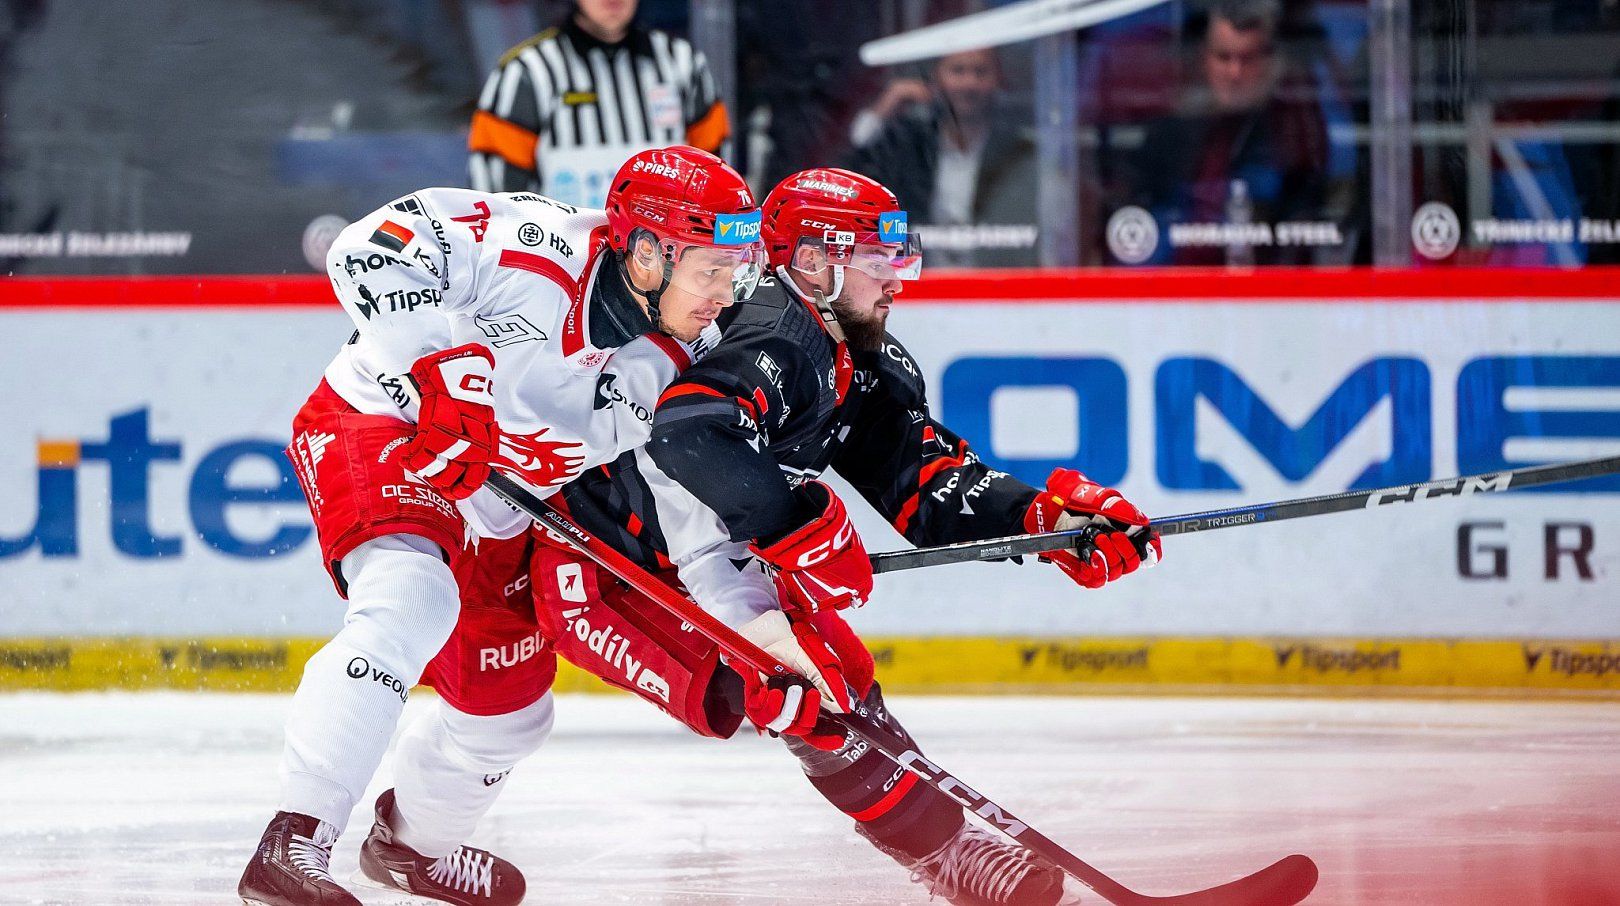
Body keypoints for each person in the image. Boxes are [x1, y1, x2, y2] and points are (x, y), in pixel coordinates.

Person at [378, 168, 1161, 906]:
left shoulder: (856, 352)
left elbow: (920, 478)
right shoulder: (768, 337)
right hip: (603, 567)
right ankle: (945, 850)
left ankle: (943, 847)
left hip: (703, 561)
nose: (898, 279)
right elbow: (691, 436)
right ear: (814, 262)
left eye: (899, 258)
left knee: (832, 677)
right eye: (879, 260)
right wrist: (798, 533)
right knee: (788, 693)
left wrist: (1051, 523)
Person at [236, 146, 764, 906]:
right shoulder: (533, 247)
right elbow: (365, 248)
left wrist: (748, 603)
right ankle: (293, 842)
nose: (725, 292)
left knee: (508, 717)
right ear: (648, 252)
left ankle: (410, 849)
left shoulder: (700, 351)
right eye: (711, 268)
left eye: (736, 269)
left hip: (503, 502)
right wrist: (440, 368)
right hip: (387, 423)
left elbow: (689, 498)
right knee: (412, 596)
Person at [1115, 0, 1333, 266]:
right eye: (1223, 57)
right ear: (1205, 59)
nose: (1234, 72)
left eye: (1248, 58)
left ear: (1272, 62)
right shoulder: (1171, 133)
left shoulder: (1292, 134)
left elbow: (1305, 226)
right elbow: (1136, 221)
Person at [468, 0, 730, 208]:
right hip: (560, 254)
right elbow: (494, 198)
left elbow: (717, 180)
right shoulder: (527, 71)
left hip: (666, 254)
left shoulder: (683, 64)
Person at [844, 48, 1038, 267]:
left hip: (994, 275)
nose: (969, 83)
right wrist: (890, 102)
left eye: (980, 72)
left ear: (998, 80)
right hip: (920, 274)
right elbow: (855, 162)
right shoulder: (915, 144)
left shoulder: (1015, 148)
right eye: (958, 71)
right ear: (935, 80)